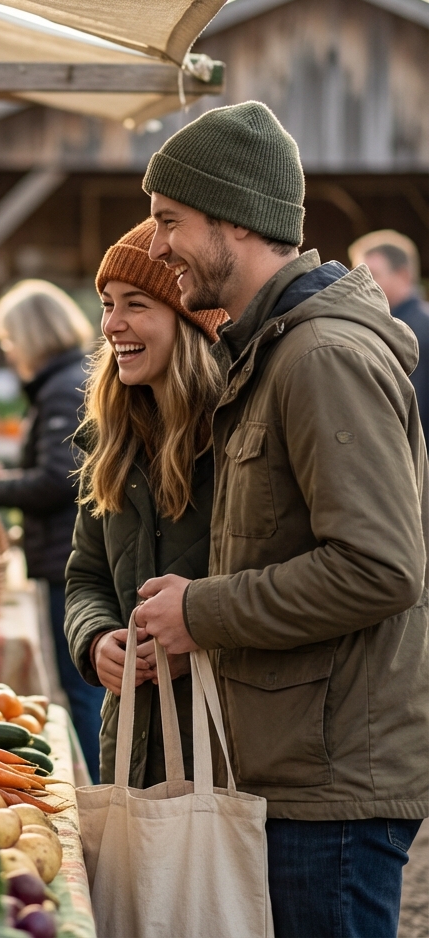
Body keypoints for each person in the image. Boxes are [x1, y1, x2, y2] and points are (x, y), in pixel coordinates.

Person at [135, 101, 427, 938]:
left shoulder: (321, 357)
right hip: (295, 770)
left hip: (329, 789)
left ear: (235, 219)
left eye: (169, 221)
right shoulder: (275, 350)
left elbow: (380, 568)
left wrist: (201, 611)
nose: (157, 247)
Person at [62, 223, 226, 786]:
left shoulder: (233, 435)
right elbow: (85, 576)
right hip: (130, 738)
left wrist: (200, 633)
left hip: (223, 748)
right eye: (107, 305)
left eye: (135, 304)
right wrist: (97, 639)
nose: (111, 325)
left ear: (187, 318)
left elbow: (276, 588)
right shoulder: (109, 439)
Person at [0, 280, 102, 774]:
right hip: (62, 553)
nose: (7, 351)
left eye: (9, 340)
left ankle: (95, 788)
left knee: (81, 689)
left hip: (66, 557)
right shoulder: (65, 380)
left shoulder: (59, 389)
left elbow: (58, 479)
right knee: (83, 687)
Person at [351, 230, 429, 440]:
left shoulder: (423, 329)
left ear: (403, 275)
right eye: (358, 275)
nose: (363, 284)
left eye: (373, 275)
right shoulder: (370, 328)